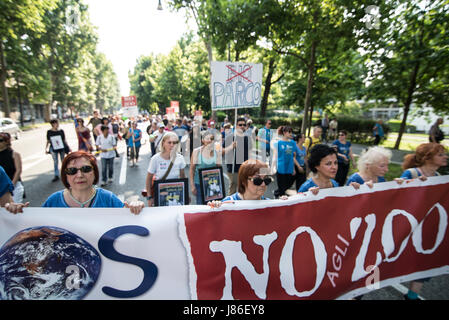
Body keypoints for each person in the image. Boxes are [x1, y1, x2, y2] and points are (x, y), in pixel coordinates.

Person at [4, 151, 143, 214]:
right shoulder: (53, 202)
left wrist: (135, 208)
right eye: (72, 171)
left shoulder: (109, 199)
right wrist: (16, 214)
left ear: (94, 172)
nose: (79, 175)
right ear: (65, 175)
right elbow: (38, 231)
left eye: (86, 169)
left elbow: (128, 224)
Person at [397, 142, 448, 300]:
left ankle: (412, 295)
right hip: (406, 227)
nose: (445, 157)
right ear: (427, 158)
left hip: (426, 227)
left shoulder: (440, 178)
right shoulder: (411, 173)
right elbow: (396, 195)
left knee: (422, 259)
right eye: (440, 154)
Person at [145, 132, 186, 207]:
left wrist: (185, 194)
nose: (172, 145)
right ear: (163, 143)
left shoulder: (180, 158)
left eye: (174, 143)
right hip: (160, 194)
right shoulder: (155, 159)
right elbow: (148, 178)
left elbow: (183, 177)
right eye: (169, 142)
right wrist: (149, 197)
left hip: (175, 194)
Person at [190, 131, 222, 205]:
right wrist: (192, 186)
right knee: (201, 207)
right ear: (202, 140)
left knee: (214, 206)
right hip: (199, 184)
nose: (210, 140)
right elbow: (192, 169)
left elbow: (219, 169)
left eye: (212, 138)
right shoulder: (196, 151)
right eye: (207, 138)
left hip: (213, 184)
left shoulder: (216, 152)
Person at [224, 117, 252, 195]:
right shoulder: (230, 137)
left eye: (244, 124)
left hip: (244, 167)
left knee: (244, 188)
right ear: (236, 126)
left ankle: (241, 206)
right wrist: (231, 147)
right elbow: (221, 151)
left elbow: (249, 152)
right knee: (233, 189)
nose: (242, 126)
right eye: (240, 125)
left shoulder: (248, 138)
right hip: (233, 167)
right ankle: (230, 206)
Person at [272, 126, 300, 198]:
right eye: (289, 132)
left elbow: (292, 156)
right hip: (281, 167)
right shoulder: (278, 143)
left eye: (292, 132)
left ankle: (277, 192)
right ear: (284, 133)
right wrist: (273, 167)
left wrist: (293, 168)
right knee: (282, 187)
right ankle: (280, 198)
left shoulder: (293, 143)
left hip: (289, 167)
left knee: (289, 184)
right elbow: (275, 156)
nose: (291, 134)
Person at [0, 132, 24, 203]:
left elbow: (18, 170)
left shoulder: (14, 154)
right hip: (2, 186)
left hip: (14, 185)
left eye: (0, 140)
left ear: (6, 141)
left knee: (13, 208)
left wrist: (12, 185)